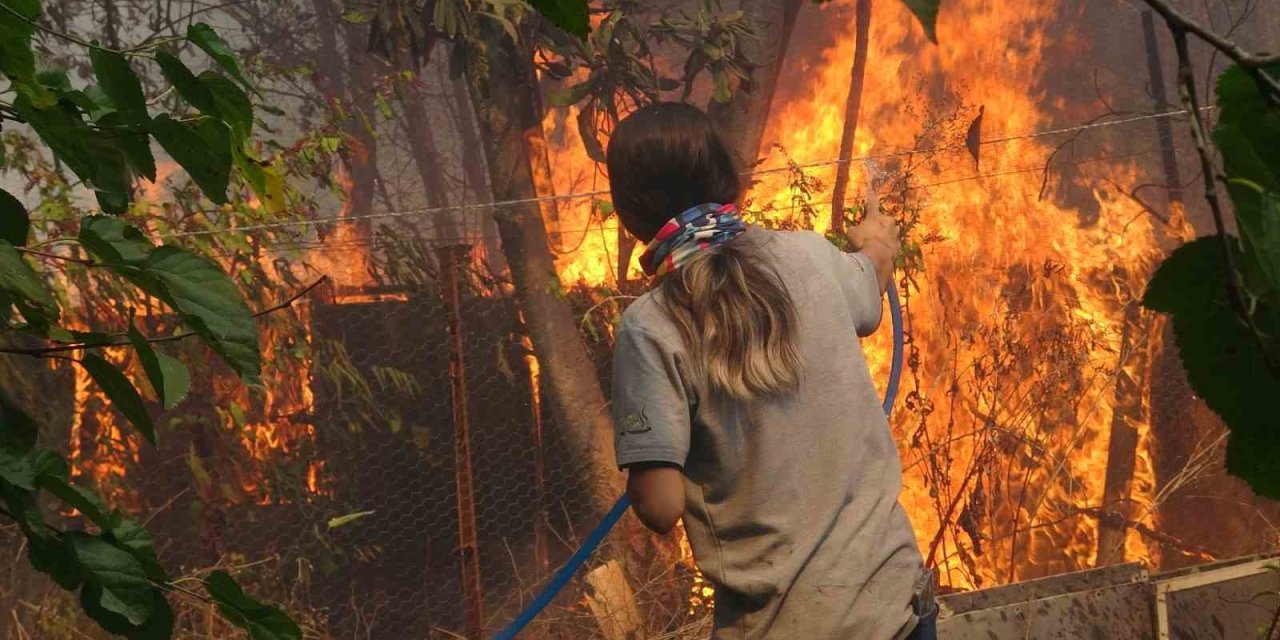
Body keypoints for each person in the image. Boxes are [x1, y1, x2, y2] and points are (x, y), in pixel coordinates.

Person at [606, 102, 935, 640]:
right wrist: (877, 240)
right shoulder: (810, 257)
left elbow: (660, 506)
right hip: (896, 608)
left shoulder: (652, 327)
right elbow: (869, 285)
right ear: (727, 178)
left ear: (630, 212)